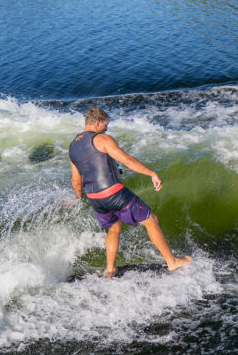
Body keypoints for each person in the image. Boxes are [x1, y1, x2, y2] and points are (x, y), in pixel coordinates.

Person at [69, 107, 191, 277]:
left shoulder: (73, 147)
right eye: (105, 125)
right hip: (113, 193)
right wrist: (151, 173)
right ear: (97, 123)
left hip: (95, 199)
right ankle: (172, 262)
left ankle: (110, 270)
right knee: (151, 220)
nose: (106, 128)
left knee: (114, 228)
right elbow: (126, 160)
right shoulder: (102, 139)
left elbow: (76, 180)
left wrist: (78, 197)